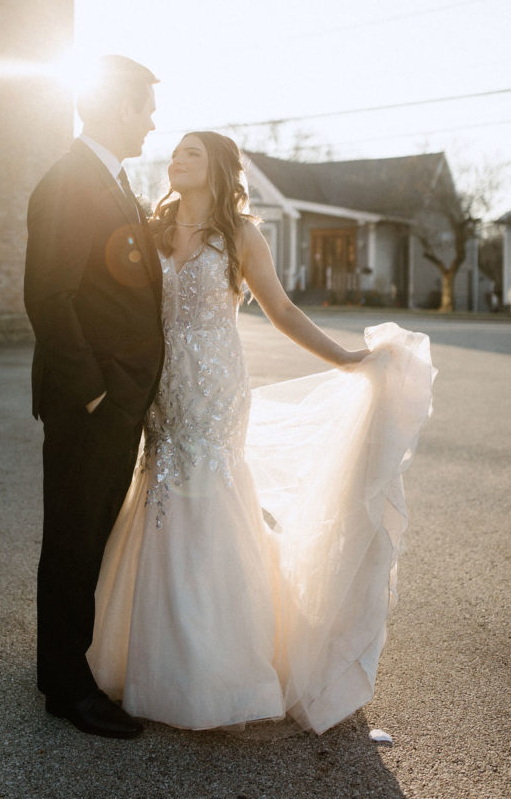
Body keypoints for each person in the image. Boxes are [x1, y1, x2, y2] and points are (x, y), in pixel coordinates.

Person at [87, 130, 435, 733]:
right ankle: (146, 653)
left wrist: (345, 357)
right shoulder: (153, 229)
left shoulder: (241, 234)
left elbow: (281, 310)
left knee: (211, 497)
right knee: (160, 495)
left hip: (215, 386)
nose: (175, 159)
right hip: (160, 386)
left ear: (219, 167)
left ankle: (218, 666)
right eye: (173, 153)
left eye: (191, 152)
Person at [23, 55, 164, 739]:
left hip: (118, 398)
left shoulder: (110, 180)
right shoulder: (68, 181)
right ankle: (66, 689)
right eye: (144, 108)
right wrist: (90, 394)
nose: (152, 121)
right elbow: (49, 294)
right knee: (76, 537)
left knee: (90, 533)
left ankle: (61, 666)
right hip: (93, 403)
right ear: (113, 109)